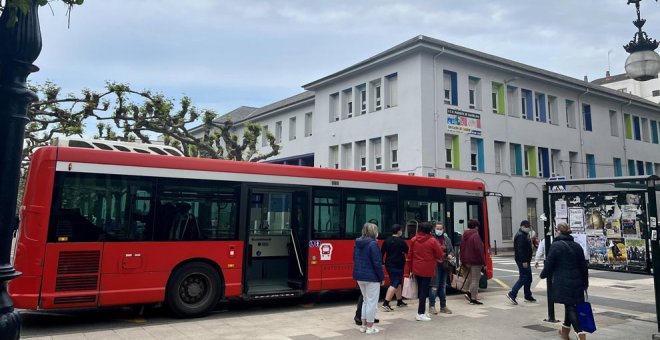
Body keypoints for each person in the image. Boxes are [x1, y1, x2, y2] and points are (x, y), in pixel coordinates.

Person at [540, 223, 589, 340]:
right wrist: (585, 283)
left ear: (559, 232)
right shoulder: (577, 246)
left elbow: (549, 263)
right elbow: (583, 266)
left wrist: (543, 274)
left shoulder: (556, 245)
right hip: (577, 281)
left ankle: (580, 333)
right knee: (570, 305)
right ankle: (565, 333)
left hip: (563, 281)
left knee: (570, 307)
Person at [352, 223, 385, 334]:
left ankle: (363, 326)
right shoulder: (373, 244)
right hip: (371, 277)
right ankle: (370, 327)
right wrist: (381, 277)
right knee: (372, 303)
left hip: (359, 276)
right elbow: (377, 263)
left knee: (366, 301)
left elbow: (354, 258)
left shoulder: (357, 243)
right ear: (373, 232)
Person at [408, 222, 444, 321]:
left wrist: (409, 270)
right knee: (424, 291)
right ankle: (420, 313)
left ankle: (423, 311)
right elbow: (440, 254)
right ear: (430, 230)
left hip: (416, 268)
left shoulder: (414, 240)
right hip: (427, 268)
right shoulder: (432, 241)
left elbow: (409, 255)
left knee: (421, 290)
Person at [506, 220, 536, 305]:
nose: (529, 228)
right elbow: (520, 250)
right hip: (523, 260)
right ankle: (512, 293)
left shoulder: (524, 235)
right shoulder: (520, 236)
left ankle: (528, 295)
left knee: (529, 278)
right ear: (522, 226)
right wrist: (524, 261)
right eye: (527, 227)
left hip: (525, 259)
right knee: (524, 277)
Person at [381, 224, 409, 312]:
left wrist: (382, 262)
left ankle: (399, 301)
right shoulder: (401, 241)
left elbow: (382, 252)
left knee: (399, 282)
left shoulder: (386, 240)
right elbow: (406, 250)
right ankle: (386, 303)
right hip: (398, 264)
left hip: (389, 263)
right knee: (395, 283)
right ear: (398, 231)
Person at [428, 222, 454, 314]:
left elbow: (451, 250)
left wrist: (450, 255)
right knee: (434, 286)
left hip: (444, 265)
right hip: (435, 265)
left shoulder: (446, 239)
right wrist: (445, 255)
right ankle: (431, 306)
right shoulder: (431, 239)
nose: (439, 230)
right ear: (434, 229)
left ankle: (443, 306)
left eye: (440, 229)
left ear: (443, 229)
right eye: (437, 228)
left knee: (442, 286)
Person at [459, 219, 485, 305]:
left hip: (466, 261)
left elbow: (461, 249)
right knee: (475, 280)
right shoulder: (475, 235)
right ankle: (473, 298)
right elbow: (479, 250)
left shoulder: (464, 235)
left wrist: (462, 260)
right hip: (475, 261)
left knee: (470, 279)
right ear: (476, 226)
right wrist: (483, 262)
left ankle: (469, 293)